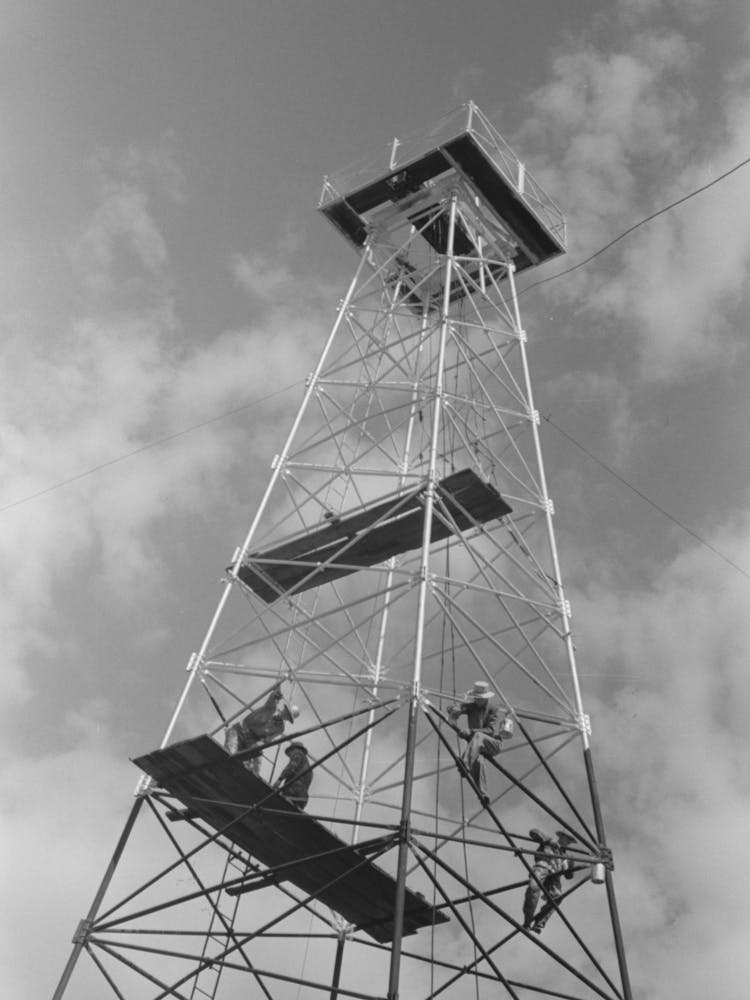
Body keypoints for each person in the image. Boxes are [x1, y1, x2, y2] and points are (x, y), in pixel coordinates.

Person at [446, 681, 513, 805]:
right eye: (476, 698)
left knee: (478, 736)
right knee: (478, 761)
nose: (477, 700)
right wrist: (455, 709)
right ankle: (483, 795)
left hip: (492, 743)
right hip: (477, 745)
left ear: (485, 699)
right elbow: (460, 708)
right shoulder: (473, 706)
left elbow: (491, 730)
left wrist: (470, 732)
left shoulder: (494, 709)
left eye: (479, 698)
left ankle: (465, 764)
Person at [225, 684, 299, 776]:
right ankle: (225, 764)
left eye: (288, 717)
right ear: (284, 709)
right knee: (230, 751)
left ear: (288, 719)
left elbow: (267, 740)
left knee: (255, 758)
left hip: (252, 740)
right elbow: (274, 696)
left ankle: (254, 778)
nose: (285, 715)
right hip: (240, 730)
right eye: (286, 712)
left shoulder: (280, 728)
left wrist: (259, 746)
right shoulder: (271, 708)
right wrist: (278, 689)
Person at [522, 828, 576, 933]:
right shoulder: (549, 842)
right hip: (543, 867)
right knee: (533, 889)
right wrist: (548, 841)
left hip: (555, 876)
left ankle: (540, 922)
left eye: (570, 840)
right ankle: (527, 921)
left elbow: (569, 876)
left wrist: (569, 864)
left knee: (557, 897)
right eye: (567, 838)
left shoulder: (567, 856)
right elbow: (533, 832)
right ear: (561, 837)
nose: (568, 842)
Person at [274, 742, 313, 810]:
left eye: (289, 753)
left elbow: (291, 767)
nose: (290, 756)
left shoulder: (297, 753)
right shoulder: (308, 768)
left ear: (293, 749)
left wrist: (280, 779)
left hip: (293, 791)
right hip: (301, 797)